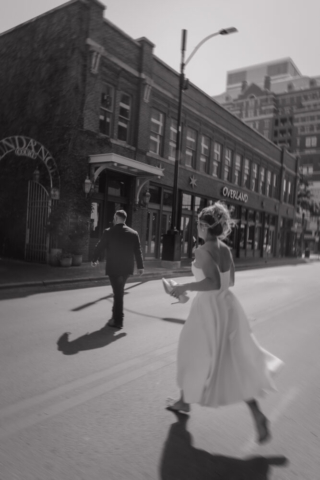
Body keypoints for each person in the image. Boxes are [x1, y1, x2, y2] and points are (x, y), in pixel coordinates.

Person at [166, 201, 283, 443]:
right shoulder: (226, 249)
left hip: (207, 311)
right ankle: (256, 414)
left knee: (190, 353)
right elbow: (229, 283)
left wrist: (182, 287)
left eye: (198, 223)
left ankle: (184, 401)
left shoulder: (202, 250)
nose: (196, 227)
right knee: (231, 362)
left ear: (206, 226)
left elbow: (213, 283)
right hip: (228, 308)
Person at [91, 210, 144, 329]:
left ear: (115, 217)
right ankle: (116, 316)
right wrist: (140, 266)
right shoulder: (133, 233)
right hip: (126, 269)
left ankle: (118, 321)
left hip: (113, 268)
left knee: (118, 293)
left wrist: (94, 259)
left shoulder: (108, 232)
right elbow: (138, 251)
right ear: (125, 219)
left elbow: (100, 246)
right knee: (119, 292)